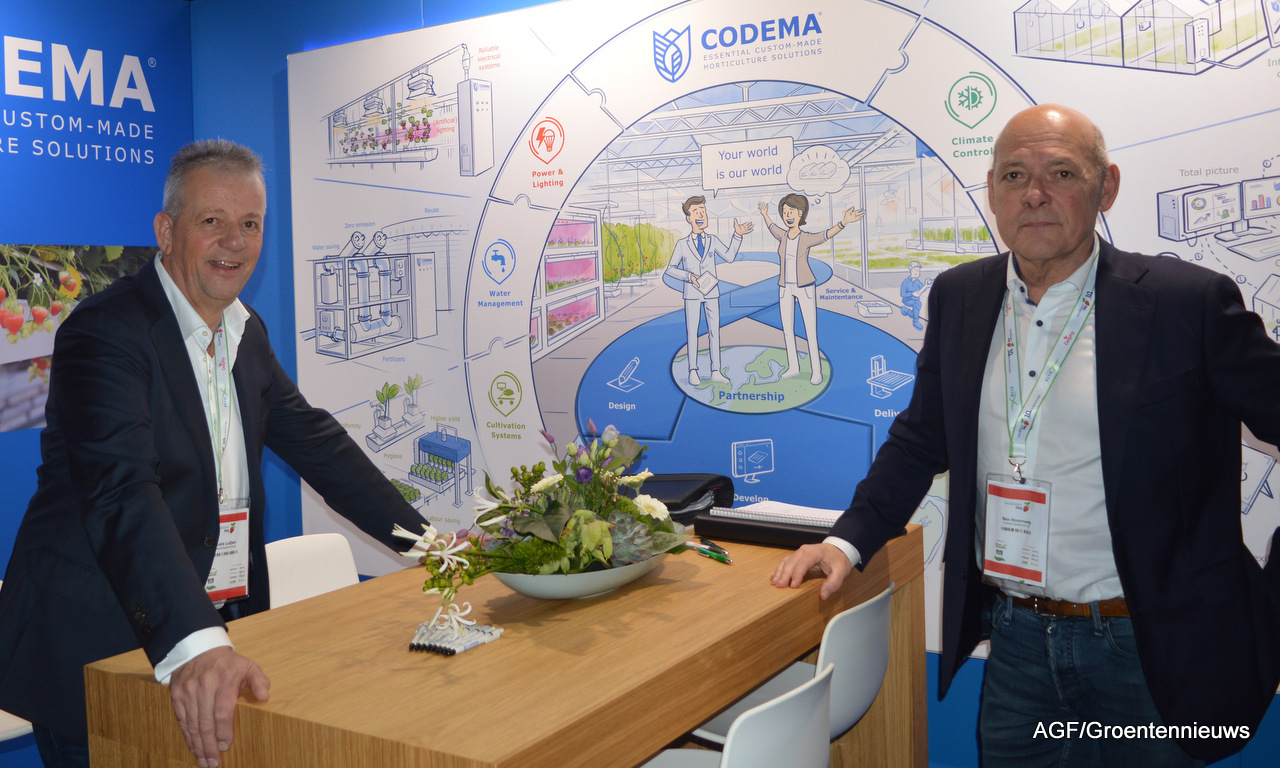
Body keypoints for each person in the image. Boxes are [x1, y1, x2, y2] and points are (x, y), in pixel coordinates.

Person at [772, 104, 1280, 765]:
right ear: (992, 191)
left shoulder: (1186, 303)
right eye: (1014, 175)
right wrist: (848, 540)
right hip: (1017, 643)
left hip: (1150, 649)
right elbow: (922, 436)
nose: (1034, 193)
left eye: (1061, 173)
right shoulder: (960, 296)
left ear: (1106, 187)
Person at [0, 140, 426, 768]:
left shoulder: (244, 330)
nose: (234, 241)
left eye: (250, 224)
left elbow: (318, 444)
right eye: (212, 221)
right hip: (99, 641)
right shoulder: (104, 332)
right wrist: (197, 643)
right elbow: (123, 491)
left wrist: (431, 545)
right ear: (166, 231)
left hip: (208, 629)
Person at [757, 195, 863, 385]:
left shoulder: (806, 237)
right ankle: (793, 367)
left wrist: (844, 222)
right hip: (785, 287)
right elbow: (771, 227)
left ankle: (816, 371)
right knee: (787, 330)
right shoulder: (783, 235)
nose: (787, 216)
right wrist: (764, 213)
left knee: (810, 330)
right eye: (784, 212)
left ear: (800, 213)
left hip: (805, 286)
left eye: (791, 212)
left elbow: (826, 234)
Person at [665, 195, 752, 385]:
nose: (701, 215)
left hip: (712, 293)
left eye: (703, 211)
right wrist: (689, 276)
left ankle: (715, 370)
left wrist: (737, 235)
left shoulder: (712, 240)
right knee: (692, 332)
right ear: (688, 218)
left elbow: (729, 256)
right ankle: (693, 370)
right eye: (696, 212)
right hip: (692, 294)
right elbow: (670, 269)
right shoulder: (682, 244)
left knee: (714, 332)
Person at [898, 260, 928, 331]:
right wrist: (912, 293)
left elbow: (922, 289)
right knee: (917, 304)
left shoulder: (917, 282)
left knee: (917, 304)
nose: (917, 272)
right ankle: (915, 322)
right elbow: (902, 294)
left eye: (918, 270)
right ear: (911, 270)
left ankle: (906, 310)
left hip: (916, 300)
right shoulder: (906, 281)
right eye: (915, 270)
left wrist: (926, 285)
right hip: (907, 300)